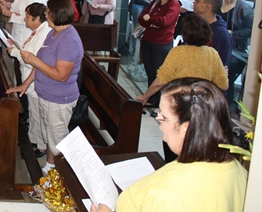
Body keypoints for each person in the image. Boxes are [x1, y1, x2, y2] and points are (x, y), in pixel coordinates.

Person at [92, 78, 248, 212]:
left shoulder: (170, 194)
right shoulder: (238, 170)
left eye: (164, 116)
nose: (158, 119)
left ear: (186, 129)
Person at [135, 14, 228, 161]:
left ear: (185, 34)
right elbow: (223, 85)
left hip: (178, 108)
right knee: (195, 149)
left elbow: (160, 81)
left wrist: (145, 97)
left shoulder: (178, 52)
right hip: (201, 111)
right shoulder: (212, 54)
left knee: (173, 150)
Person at [7, 0, 83, 171]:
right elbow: (42, 63)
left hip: (58, 99)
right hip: (46, 94)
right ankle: (49, 166)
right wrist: (25, 84)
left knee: (58, 142)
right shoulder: (53, 33)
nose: (46, 15)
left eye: (48, 12)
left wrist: (33, 60)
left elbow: (61, 76)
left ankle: (61, 176)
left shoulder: (69, 41)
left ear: (56, 14)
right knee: (50, 137)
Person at [5, 2, 51, 157]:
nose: (24, 19)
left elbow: (32, 60)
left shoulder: (43, 34)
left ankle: (42, 147)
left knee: (38, 115)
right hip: (30, 80)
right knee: (33, 112)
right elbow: (27, 50)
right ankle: (33, 139)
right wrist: (16, 45)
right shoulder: (37, 31)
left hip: (35, 81)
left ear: (37, 19)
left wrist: (14, 52)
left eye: (28, 17)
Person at [137, 0, 181, 107]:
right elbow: (141, 19)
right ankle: (151, 99)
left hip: (162, 43)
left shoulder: (174, 5)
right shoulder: (155, 2)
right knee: (150, 71)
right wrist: (152, 22)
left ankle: (161, 103)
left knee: (160, 74)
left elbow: (165, 22)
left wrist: (150, 20)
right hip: (148, 40)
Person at [219, 0, 254, 105]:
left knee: (227, 80)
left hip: (235, 50)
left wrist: (233, 34)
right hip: (217, 46)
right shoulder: (218, 4)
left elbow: (250, 30)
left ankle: (225, 108)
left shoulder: (244, 8)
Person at [193, 0, 232, 66]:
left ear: (208, 6)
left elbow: (221, 65)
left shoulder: (221, 34)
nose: (194, 2)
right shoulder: (194, 25)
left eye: (197, 0)